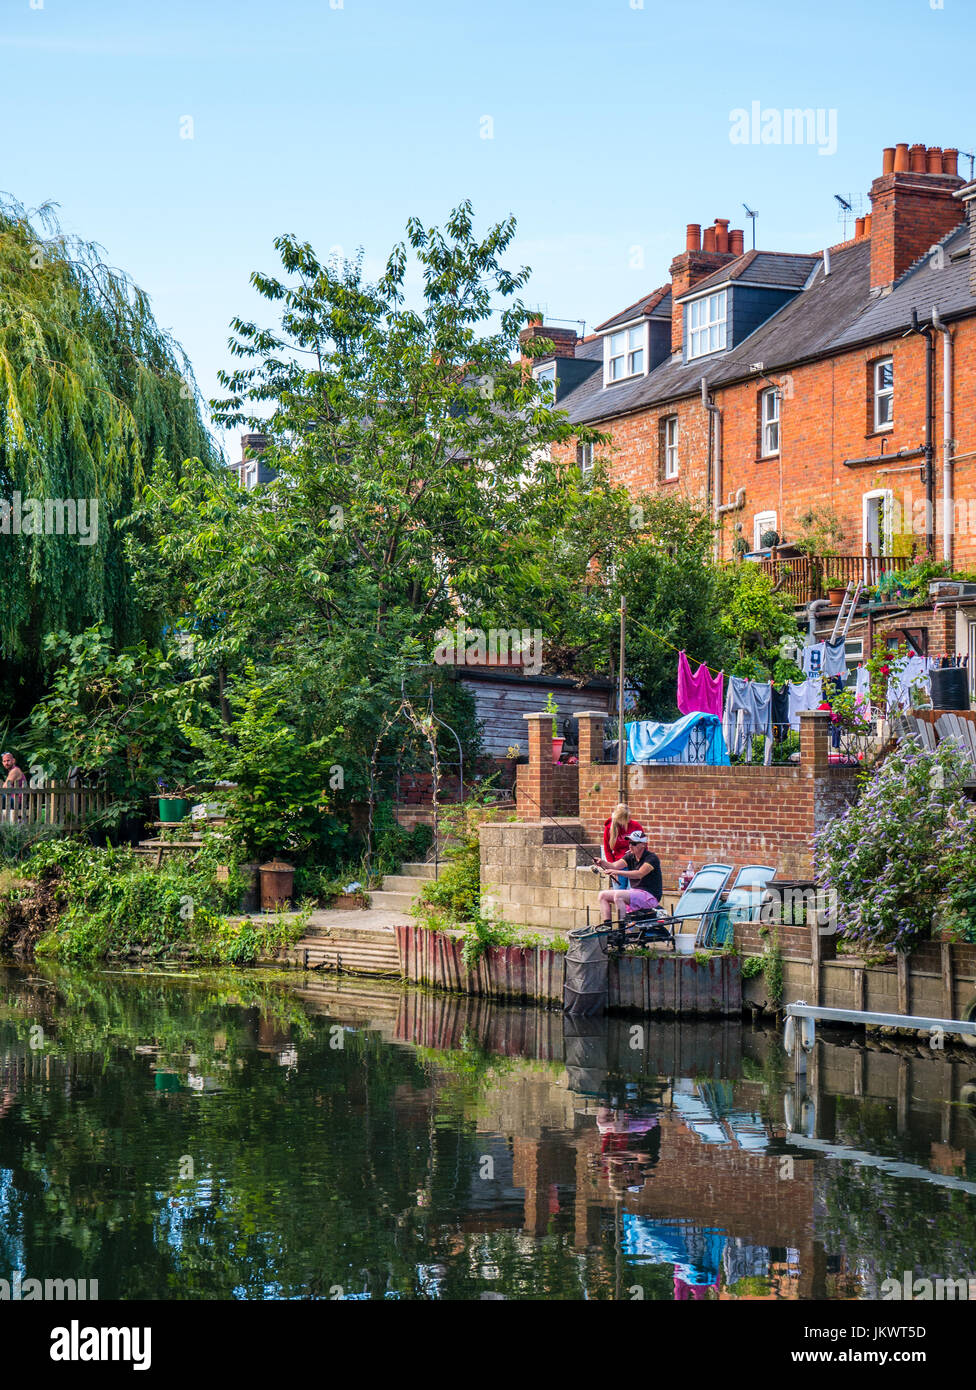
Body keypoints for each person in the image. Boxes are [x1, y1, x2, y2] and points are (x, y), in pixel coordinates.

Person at [592, 829, 663, 924]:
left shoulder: (651, 858)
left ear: (643, 844)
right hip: (635, 893)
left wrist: (617, 872)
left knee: (619, 896)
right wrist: (602, 862)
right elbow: (614, 866)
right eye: (629, 843)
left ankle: (622, 929)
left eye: (634, 843)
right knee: (602, 895)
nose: (630, 846)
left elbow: (639, 874)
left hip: (650, 897)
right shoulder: (630, 856)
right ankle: (607, 926)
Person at [602, 804, 644, 889]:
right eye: (626, 818)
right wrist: (612, 870)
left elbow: (644, 846)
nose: (629, 820)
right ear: (620, 819)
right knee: (618, 894)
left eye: (629, 817)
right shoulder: (609, 828)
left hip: (634, 865)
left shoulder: (635, 826)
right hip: (618, 866)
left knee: (631, 894)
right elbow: (607, 850)